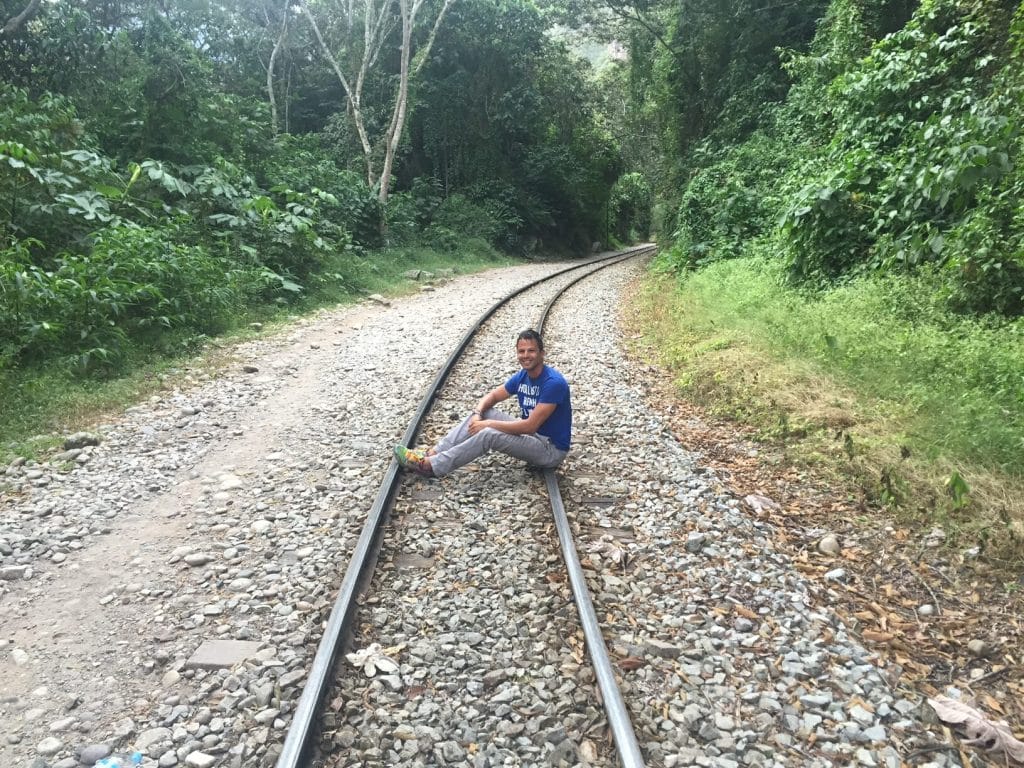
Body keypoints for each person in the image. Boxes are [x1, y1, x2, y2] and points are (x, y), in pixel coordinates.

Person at [394, 329, 572, 478]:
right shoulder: (523, 376)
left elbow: (529, 426)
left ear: (542, 353)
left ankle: (430, 466)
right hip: (535, 439)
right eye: (521, 351)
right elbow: (493, 396)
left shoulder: (553, 383)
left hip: (550, 449)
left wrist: (486, 424)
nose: (526, 355)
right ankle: (432, 453)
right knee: (485, 412)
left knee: (488, 434)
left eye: (531, 351)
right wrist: (479, 413)